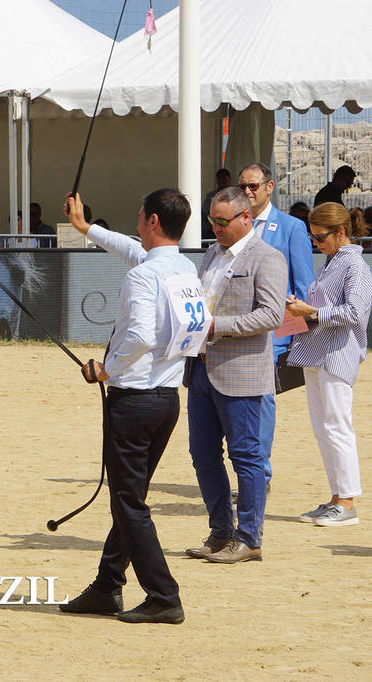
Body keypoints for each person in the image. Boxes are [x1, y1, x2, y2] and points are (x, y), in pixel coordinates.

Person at [57, 189, 195, 625]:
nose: (136, 223)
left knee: (129, 504)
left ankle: (163, 595)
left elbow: (137, 334)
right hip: (167, 399)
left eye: (139, 216)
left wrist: (105, 369)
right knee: (128, 498)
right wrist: (87, 229)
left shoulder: (143, 278)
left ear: (153, 221)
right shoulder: (182, 267)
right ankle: (106, 586)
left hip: (133, 401)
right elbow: (136, 251)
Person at [183, 186, 287, 564]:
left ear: (246, 218)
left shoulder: (268, 258)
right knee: (203, 455)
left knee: (247, 457)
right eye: (212, 220)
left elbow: (271, 316)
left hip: (242, 373)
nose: (216, 227)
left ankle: (249, 538)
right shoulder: (212, 254)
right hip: (201, 369)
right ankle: (220, 532)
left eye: (223, 221)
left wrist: (215, 326)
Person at [285, 203, 371, 527]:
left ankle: (347, 502)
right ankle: (336, 498)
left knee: (337, 426)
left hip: (338, 354)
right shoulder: (331, 262)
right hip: (316, 352)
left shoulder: (356, 267)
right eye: (313, 239)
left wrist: (310, 312)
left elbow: (354, 313)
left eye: (320, 238)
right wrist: (301, 310)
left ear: (340, 233)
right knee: (324, 430)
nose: (316, 244)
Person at [238, 162, 314, 490]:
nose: (248, 191)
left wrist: (294, 337)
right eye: (243, 186)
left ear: (270, 187)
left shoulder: (291, 227)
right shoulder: (235, 225)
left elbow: (304, 285)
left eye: (254, 185)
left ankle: (259, 475)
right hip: (236, 328)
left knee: (262, 403)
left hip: (273, 333)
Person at [201, 168, 232, 239]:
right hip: (212, 229)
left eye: (224, 177)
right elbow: (204, 213)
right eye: (220, 178)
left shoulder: (235, 194)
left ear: (229, 179)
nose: (222, 180)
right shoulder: (211, 195)